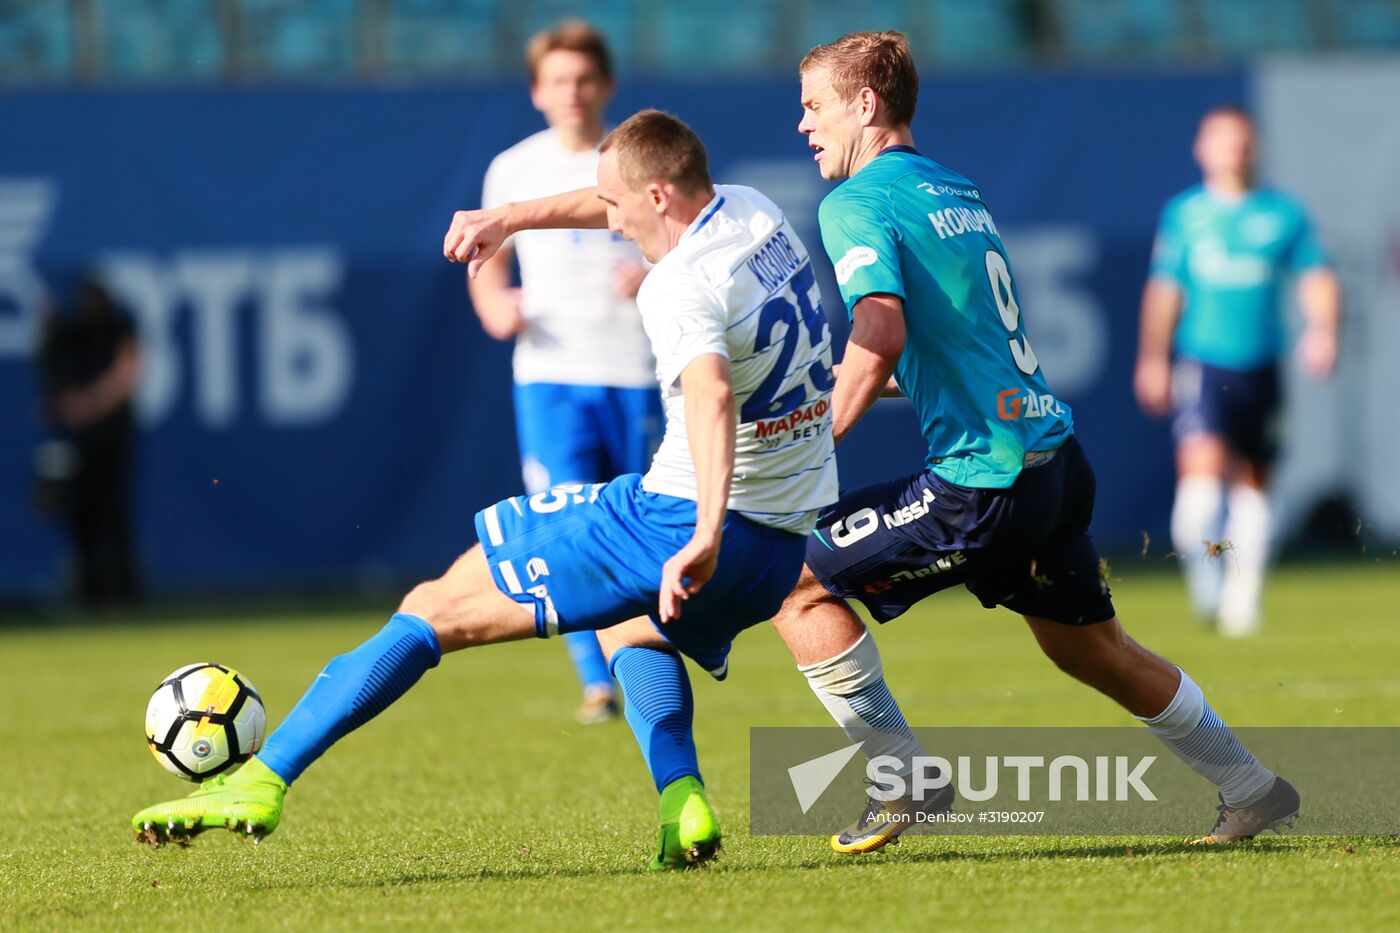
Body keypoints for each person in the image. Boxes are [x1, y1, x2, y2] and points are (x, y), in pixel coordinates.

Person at [130, 111, 839, 871]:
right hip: (774, 546)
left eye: (617, 207)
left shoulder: (673, 287)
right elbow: (624, 212)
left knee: (431, 609)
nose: (610, 221)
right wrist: (510, 219)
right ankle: (683, 801)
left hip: (684, 526)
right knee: (628, 627)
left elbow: (710, 393)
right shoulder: (755, 212)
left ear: (659, 197)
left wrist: (700, 532)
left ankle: (260, 781)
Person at [766, 31, 1299, 853]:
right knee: (1095, 651)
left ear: (864, 106)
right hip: (1053, 461)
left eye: (813, 105)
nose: (802, 125)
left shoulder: (855, 200)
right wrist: (845, 389)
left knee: (796, 582)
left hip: (986, 479)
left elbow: (878, 324)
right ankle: (1252, 786)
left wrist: (816, 436)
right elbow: (952, 347)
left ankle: (901, 777)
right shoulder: (955, 188)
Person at [468, 20, 660, 723]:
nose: (572, 93)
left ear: (605, 85)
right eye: (558, 80)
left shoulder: (639, 157)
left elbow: (690, 241)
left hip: (637, 369)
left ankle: (646, 655)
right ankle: (597, 679)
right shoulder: (514, 169)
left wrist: (650, 271)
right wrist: (494, 305)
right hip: (550, 374)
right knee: (567, 524)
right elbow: (487, 258)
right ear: (536, 92)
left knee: (641, 520)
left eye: (584, 79)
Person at [1134, 106, 1340, 637]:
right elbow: (1164, 291)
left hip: (1263, 368)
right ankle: (1208, 590)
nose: (1235, 150)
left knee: (1255, 488)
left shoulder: (1284, 215)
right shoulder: (1185, 215)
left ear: (1257, 147)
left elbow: (1316, 277)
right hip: (1202, 364)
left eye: (1243, 141)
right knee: (1198, 503)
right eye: (1223, 140)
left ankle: (1241, 602)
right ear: (1202, 149)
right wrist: (1153, 359)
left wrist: (1323, 330)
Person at [35, 277, 143, 608]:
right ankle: (86, 591)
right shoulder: (65, 333)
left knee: (111, 516)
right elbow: (51, 387)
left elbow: (128, 370)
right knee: (76, 515)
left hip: (110, 440)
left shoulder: (118, 325)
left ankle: (120, 593)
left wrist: (90, 403)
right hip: (73, 441)